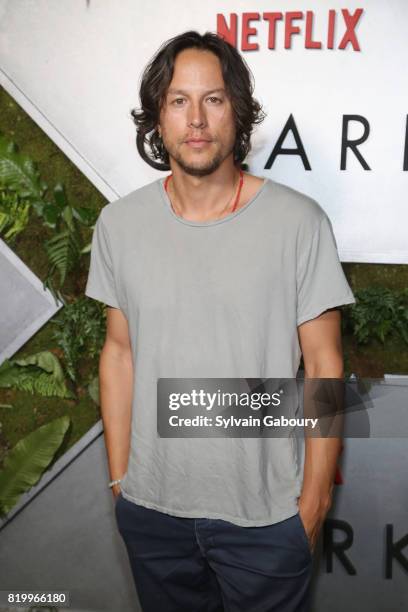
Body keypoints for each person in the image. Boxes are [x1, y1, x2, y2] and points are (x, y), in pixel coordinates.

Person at [85, 30, 356, 612]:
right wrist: (120, 482)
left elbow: (327, 366)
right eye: (180, 100)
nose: (198, 119)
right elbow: (119, 353)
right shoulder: (119, 225)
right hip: (152, 516)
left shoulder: (299, 224)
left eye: (214, 99)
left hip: (266, 521)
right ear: (158, 116)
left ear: (239, 112)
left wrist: (313, 504)